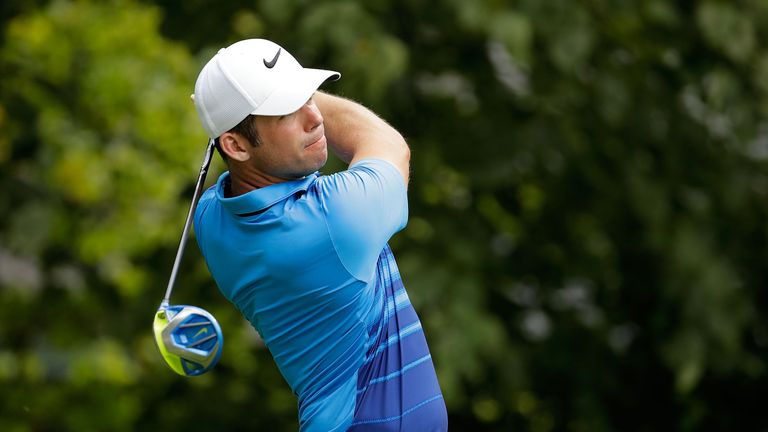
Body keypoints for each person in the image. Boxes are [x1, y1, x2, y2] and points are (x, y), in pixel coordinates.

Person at [191, 38, 447, 431]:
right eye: (287, 112)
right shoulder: (333, 221)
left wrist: (272, 90)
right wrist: (292, 88)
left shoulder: (212, 217)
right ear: (235, 145)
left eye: (308, 98)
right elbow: (389, 145)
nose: (315, 117)